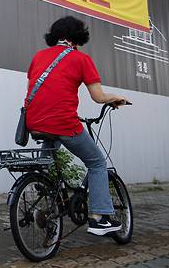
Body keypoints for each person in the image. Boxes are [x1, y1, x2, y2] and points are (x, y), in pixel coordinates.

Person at [24, 16, 129, 236]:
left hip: (34, 122)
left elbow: (40, 91)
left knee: (48, 163)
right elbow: (98, 97)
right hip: (63, 122)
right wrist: (115, 98)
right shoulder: (81, 59)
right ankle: (99, 218)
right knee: (97, 162)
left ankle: (47, 187)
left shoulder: (38, 57)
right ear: (77, 37)